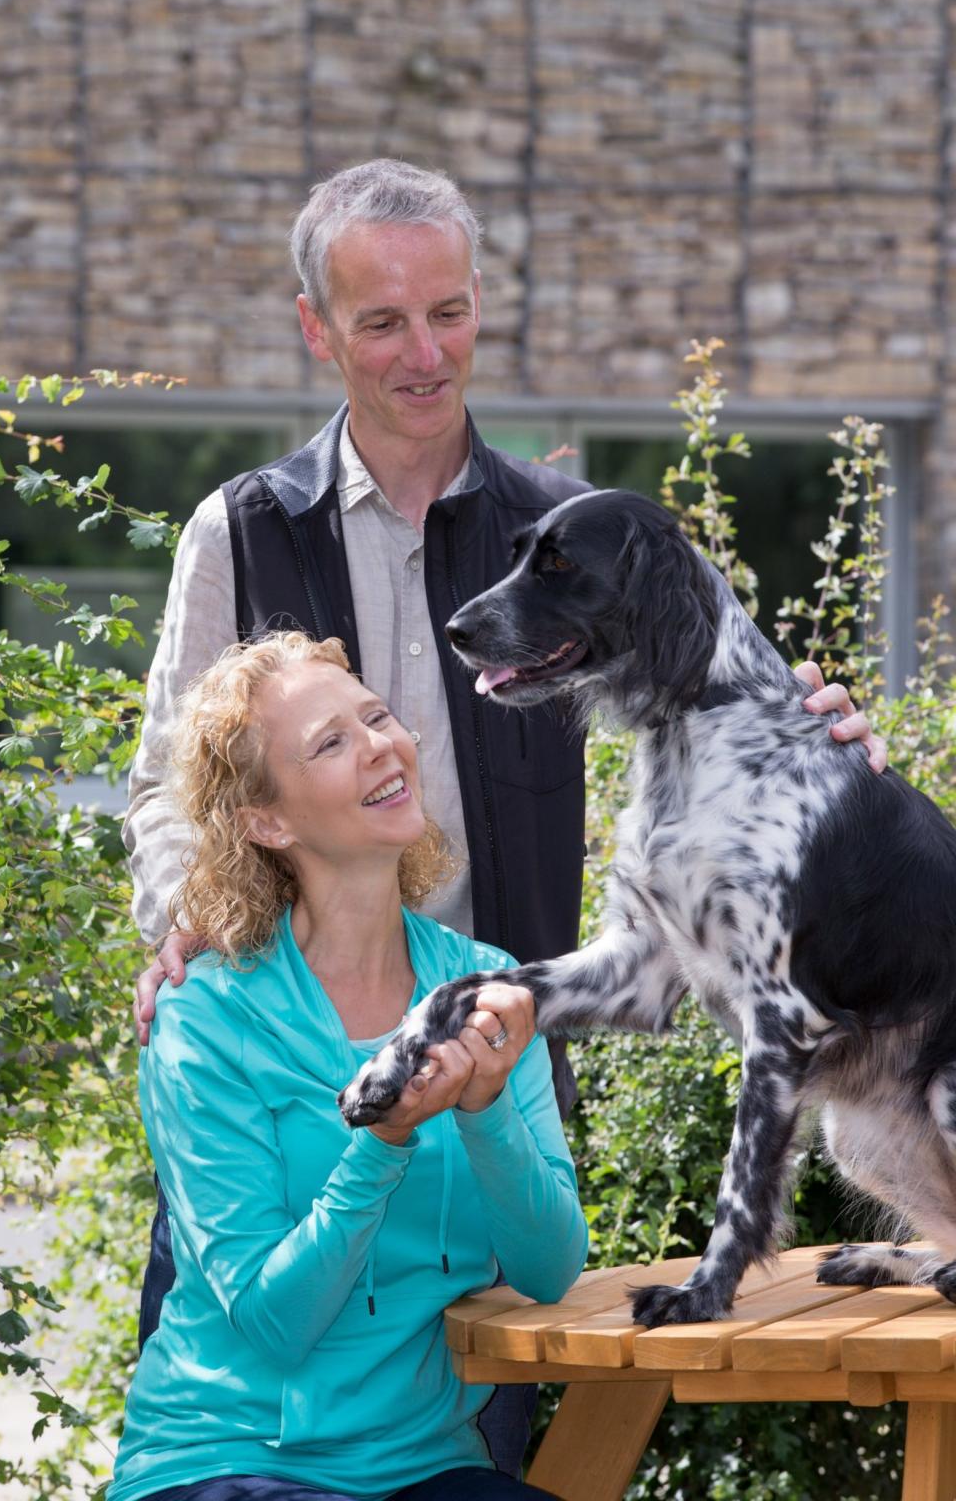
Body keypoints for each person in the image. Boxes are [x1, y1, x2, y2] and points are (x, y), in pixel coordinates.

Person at [122, 158, 885, 1470]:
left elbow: (730, 719)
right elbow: (170, 792)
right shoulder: (241, 533)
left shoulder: (576, 534)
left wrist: (821, 748)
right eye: (381, 322)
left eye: (452, 313)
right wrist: (185, 925)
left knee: (458, 1461)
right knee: (254, 1426)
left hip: (491, 1105)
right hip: (292, 1093)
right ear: (318, 330)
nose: (427, 355)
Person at [109, 630, 587, 1501]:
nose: (381, 745)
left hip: (423, 1465)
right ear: (267, 821)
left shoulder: (482, 984)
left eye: (376, 716)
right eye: (331, 742)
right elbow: (271, 1321)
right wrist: (384, 1139)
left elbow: (550, 1270)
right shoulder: (205, 1017)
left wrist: (485, 1111)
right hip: (228, 1457)